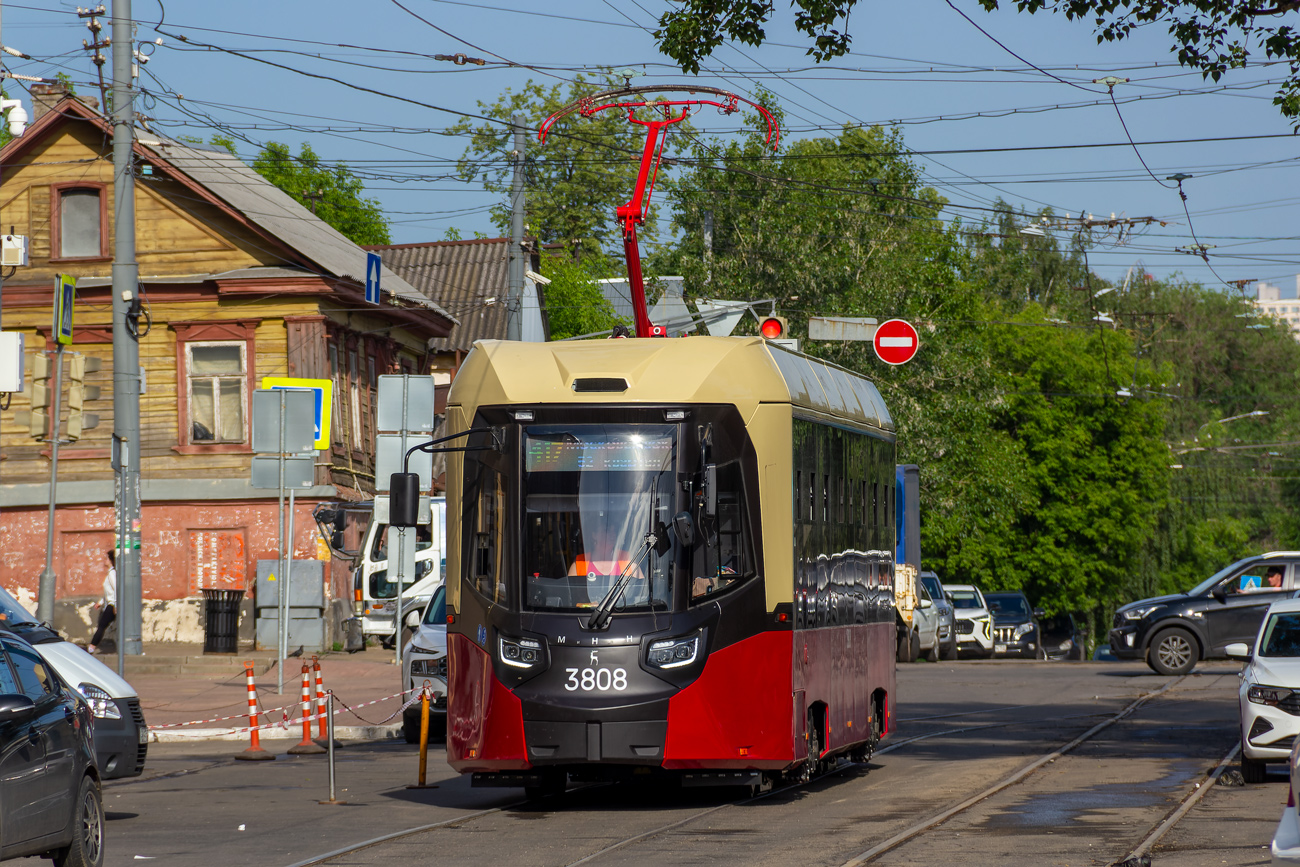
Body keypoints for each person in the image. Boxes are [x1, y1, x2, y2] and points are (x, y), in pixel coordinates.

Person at [568, 521, 645, 607]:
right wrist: (589, 606)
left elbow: (642, 597)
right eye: (607, 530)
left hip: (623, 617)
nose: (612, 534)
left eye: (614, 530)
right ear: (594, 535)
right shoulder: (579, 565)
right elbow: (571, 601)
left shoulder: (629, 561)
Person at [87, 549, 117, 654]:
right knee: (103, 626)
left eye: (107, 558)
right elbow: (108, 592)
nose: (105, 560)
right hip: (110, 604)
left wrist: (116, 605)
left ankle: (91, 648)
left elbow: (116, 589)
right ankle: (91, 648)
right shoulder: (110, 573)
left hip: (112, 605)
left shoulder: (112, 574)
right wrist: (100, 602)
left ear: (111, 560)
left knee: (101, 626)